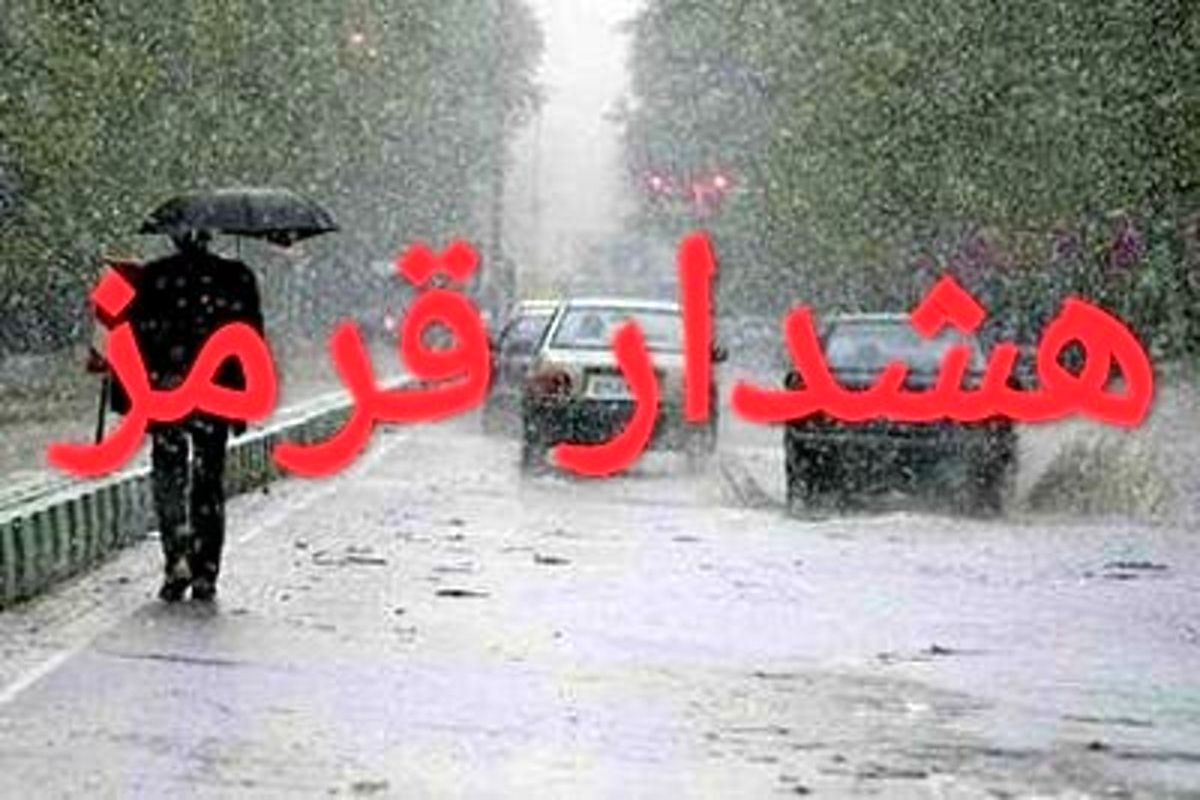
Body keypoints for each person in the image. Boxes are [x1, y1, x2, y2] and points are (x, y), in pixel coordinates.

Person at [124, 230, 264, 602]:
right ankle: (206, 570)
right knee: (208, 480)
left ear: (173, 236)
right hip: (215, 393)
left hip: (165, 391)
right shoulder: (236, 277)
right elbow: (250, 340)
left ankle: (177, 557)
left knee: (169, 476)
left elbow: (133, 340)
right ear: (210, 235)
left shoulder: (153, 277)